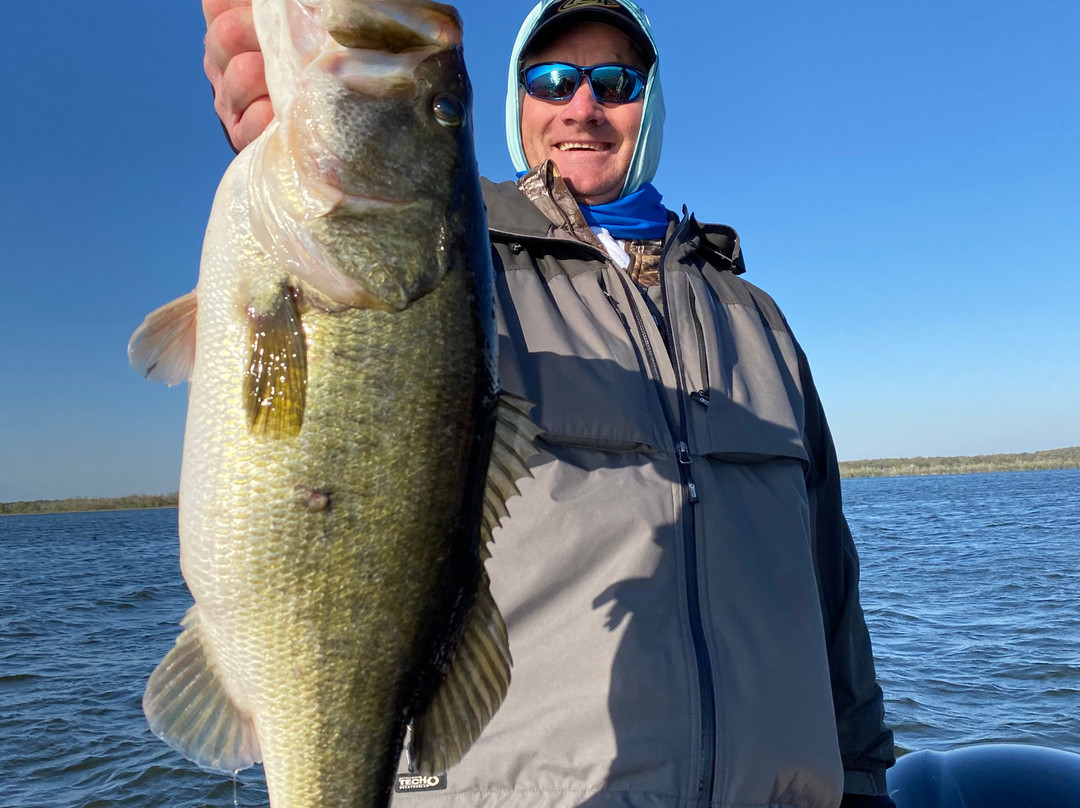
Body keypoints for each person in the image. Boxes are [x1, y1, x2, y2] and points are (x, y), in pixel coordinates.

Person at [201, 1, 897, 806]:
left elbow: (830, 588)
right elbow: (329, 273)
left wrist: (862, 779)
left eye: (615, 82)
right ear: (516, 102)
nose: (582, 106)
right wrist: (297, 122)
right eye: (553, 80)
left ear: (651, 103)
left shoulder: (759, 321)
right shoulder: (460, 272)